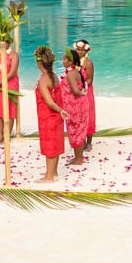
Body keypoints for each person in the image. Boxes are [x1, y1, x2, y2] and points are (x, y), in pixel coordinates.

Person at [32, 46, 67, 183]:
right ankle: (53, 171)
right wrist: (60, 111)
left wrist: (60, 110)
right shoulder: (54, 76)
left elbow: (49, 101)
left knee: (50, 145)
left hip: (48, 116)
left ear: (39, 63)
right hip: (56, 117)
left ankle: (49, 177)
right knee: (56, 143)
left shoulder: (43, 80)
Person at [58, 48, 90, 167]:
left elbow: (75, 91)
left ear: (71, 61)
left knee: (76, 131)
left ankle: (79, 159)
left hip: (75, 106)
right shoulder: (75, 72)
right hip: (79, 105)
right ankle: (78, 157)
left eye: (65, 59)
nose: (63, 61)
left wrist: (82, 93)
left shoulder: (71, 74)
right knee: (78, 130)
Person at [74, 39, 96, 151]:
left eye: (81, 50)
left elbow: (90, 79)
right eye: (77, 49)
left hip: (86, 92)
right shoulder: (74, 62)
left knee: (88, 115)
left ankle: (89, 143)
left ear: (86, 50)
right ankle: (80, 141)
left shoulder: (88, 63)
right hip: (77, 92)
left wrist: (80, 85)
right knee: (79, 115)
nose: (78, 51)